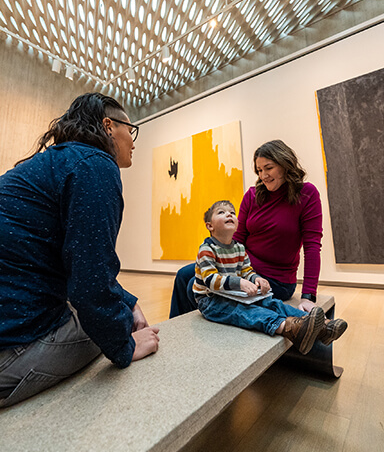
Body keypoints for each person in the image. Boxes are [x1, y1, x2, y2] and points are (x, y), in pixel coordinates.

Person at [0, 93, 159, 407]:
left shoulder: (55, 161)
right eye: (132, 128)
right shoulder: (96, 165)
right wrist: (124, 345)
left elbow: (79, 261)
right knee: (101, 325)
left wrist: (128, 301)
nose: (133, 139)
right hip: (11, 345)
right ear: (108, 126)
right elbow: (89, 284)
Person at [169, 140, 323, 317]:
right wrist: (215, 259)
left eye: (268, 168)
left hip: (275, 278)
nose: (263, 175)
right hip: (240, 266)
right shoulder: (252, 195)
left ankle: (212, 326)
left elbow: (312, 247)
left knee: (194, 285)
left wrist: (308, 296)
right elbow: (238, 238)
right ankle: (175, 332)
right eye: (259, 170)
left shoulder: (307, 194)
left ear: (284, 164)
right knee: (183, 276)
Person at [193, 200, 347, 353]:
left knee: (272, 303)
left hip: (233, 295)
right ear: (210, 226)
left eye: (232, 212)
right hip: (211, 301)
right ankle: (292, 329)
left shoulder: (239, 248)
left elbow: (247, 271)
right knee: (247, 312)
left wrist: (256, 279)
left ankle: (323, 326)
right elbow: (210, 280)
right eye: (221, 212)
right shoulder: (206, 249)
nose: (229, 214)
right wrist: (240, 282)